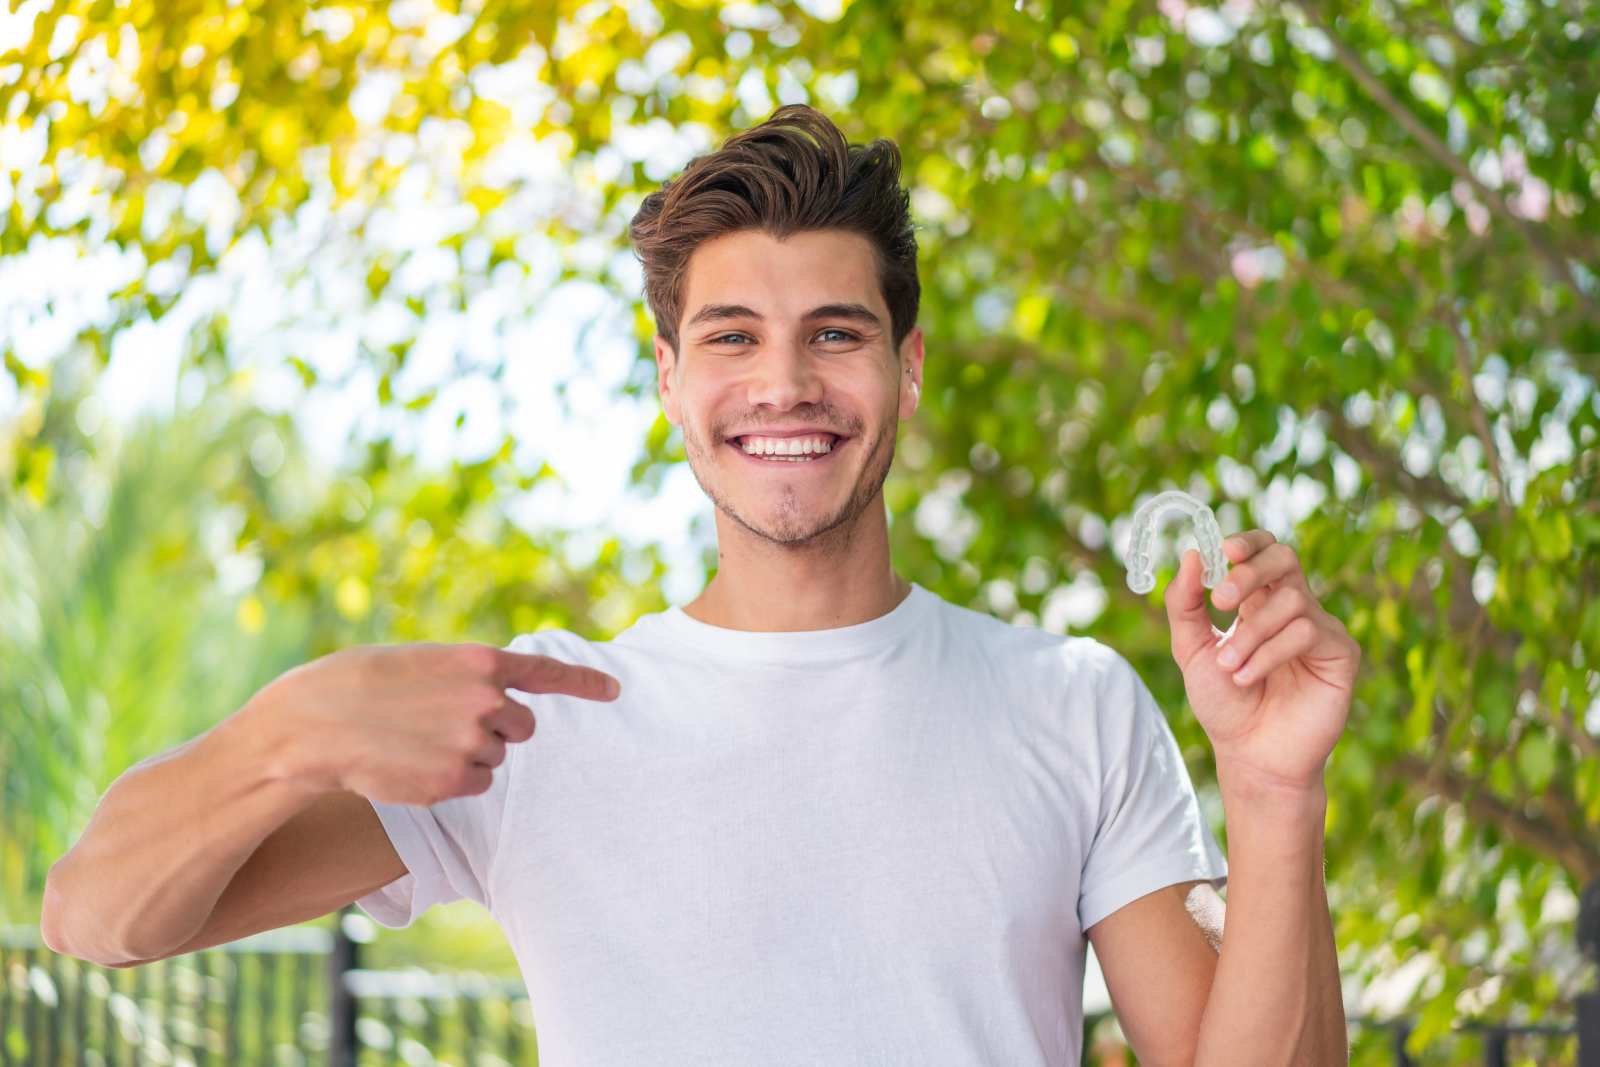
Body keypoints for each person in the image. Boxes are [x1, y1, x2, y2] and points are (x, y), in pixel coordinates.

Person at [43, 104, 1360, 1066]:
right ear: (671, 378)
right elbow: (96, 916)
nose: (785, 386)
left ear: (906, 369)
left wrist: (1272, 789)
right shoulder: (538, 719)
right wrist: (282, 735)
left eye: (833, 335)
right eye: (733, 338)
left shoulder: (1070, 702)